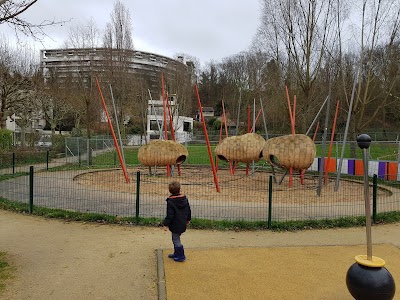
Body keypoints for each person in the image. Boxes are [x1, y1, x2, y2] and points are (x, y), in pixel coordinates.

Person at [162, 181, 191, 262]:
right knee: (176, 237)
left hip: (175, 224)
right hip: (183, 222)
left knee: (176, 239)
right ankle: (176, 253)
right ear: (179, 189)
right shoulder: (184, 199)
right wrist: (188, 219)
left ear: (170, 191)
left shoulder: (170, 201)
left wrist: (165, 224)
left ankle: (181, 255)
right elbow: (188, 210)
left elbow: (170, 215)